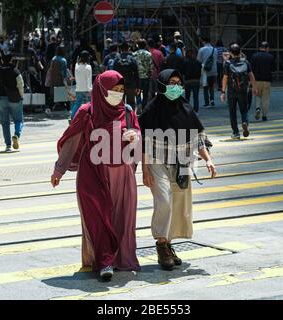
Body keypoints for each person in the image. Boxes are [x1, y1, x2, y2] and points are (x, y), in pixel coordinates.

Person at [51, 70, 141, 281]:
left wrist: (134, 139)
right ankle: (104, 261)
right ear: (101, 90)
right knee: (97, 217)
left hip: (122, 173)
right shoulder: (87, 112)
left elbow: (137, 138)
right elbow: (71, 140)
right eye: (113, 90)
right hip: (92, 173)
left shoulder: (128, 111)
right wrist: (59, 169)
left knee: (122, 218)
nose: (118, 94)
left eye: (121, 90)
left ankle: (119, 259)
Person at [139, 69, 217, 271]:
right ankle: (161, 243)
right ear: (162, 85)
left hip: (181, 163)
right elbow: (144, 142)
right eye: (171, 82)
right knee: (164, 200)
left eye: (178, 83)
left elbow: (198, 137)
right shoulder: (150, 110)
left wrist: (208, 160)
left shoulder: (186, 108)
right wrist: (145, 169)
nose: (175, 87)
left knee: (177, 205)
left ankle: (168, 244)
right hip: (157, 161)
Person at [221, 43, 258, 140]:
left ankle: (236, 132)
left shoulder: (228, 63)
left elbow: (225, 78)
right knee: (244, 110)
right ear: (240, 52)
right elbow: (251, 76)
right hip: (243, 90)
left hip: (231, 92)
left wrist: (223, 91)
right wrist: (255, 88)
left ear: (230, 53)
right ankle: (244, 122)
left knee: (232, 112)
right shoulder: (245, 62)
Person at [0, 53, 25, 152]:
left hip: (2, 99)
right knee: (19, 120)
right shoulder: (15, 71)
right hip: (15, 99)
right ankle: (16, 134)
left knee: (5, 123)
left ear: (2, 60)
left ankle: (8, 145)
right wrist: (21, 96)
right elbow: (21, 85)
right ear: (11, 60)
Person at [251, 41, 274, 121]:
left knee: (257, 95)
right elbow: (272, 69)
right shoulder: (271, 57)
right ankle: (264, 115)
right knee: (265, 98)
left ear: (260, 48)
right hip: (267, 80)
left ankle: (257, 108)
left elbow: (251, 70)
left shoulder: (254, 56)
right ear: (267, 48)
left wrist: (250, 81)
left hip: (256, 80)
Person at [114, 42, 140, 111]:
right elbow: (136, 73)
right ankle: (131, 119)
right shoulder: (132, 58)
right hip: (131, 84)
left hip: (120, 84)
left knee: (120, 103)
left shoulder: (116, 59)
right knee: (131, 103)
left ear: (120, 49)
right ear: (128, 49)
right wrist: (137, 86)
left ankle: (121, 119)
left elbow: (113, 73)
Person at [197, 36, 217, 108]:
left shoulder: (201, 50)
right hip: (214, 70)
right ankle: (212, 100)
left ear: (203, 41)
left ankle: (207, 102)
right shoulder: (215, 50)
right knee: (211, 86)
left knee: (205, 86)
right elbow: (216, 60)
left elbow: (198, 61)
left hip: (205, 70)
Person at [133, 39, 153, 112]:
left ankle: (139, 105)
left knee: (137, 92)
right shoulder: (149, 54)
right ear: (145, 45)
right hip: (146, 77)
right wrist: (149, 74)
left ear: (138, 45)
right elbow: (151, 67)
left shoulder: (134, 54)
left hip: (137, 77)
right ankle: (144, 107)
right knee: (145, 93)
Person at [71, 51, 92, 120]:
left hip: (78, 88)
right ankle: (89, 117)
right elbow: (89, 79)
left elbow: (77, 61)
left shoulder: (76, 67)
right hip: (86, 89)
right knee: (89, 104)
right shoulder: (88, 67)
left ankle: (72, 117)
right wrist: (90, 89)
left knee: (77, 104)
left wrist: (78, 58)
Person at [181, 49, 202, 114]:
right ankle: (196, 110)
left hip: (188, 80)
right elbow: (200, 71)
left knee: (187, 96)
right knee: (196, 97)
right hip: (196, 80)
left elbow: (183, 72)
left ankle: (187, 110)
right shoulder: (198, 62)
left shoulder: (184, 62)